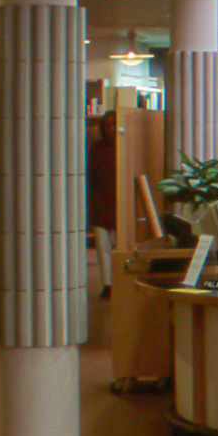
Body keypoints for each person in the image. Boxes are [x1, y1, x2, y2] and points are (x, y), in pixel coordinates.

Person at [88, 111, 117, 298]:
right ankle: (107, 284)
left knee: (117, 246)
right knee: (102, 246)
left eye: (113, 124)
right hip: (100, 204)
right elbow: (91, 177)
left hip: (119, 204)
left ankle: (119, 282)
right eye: (107, 125)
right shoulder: (96, 148)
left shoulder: (124, 147)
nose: (110, 128)